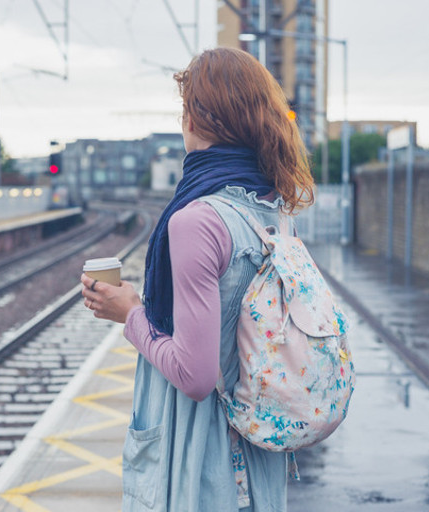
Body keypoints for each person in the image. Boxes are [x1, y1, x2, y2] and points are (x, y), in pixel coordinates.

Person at [80, 47, 315, 512]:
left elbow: (195, 375)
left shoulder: (196, 221)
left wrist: (130, 314)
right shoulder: (270, 211)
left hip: (202, 461)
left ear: (196, 118)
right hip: (256, 451)